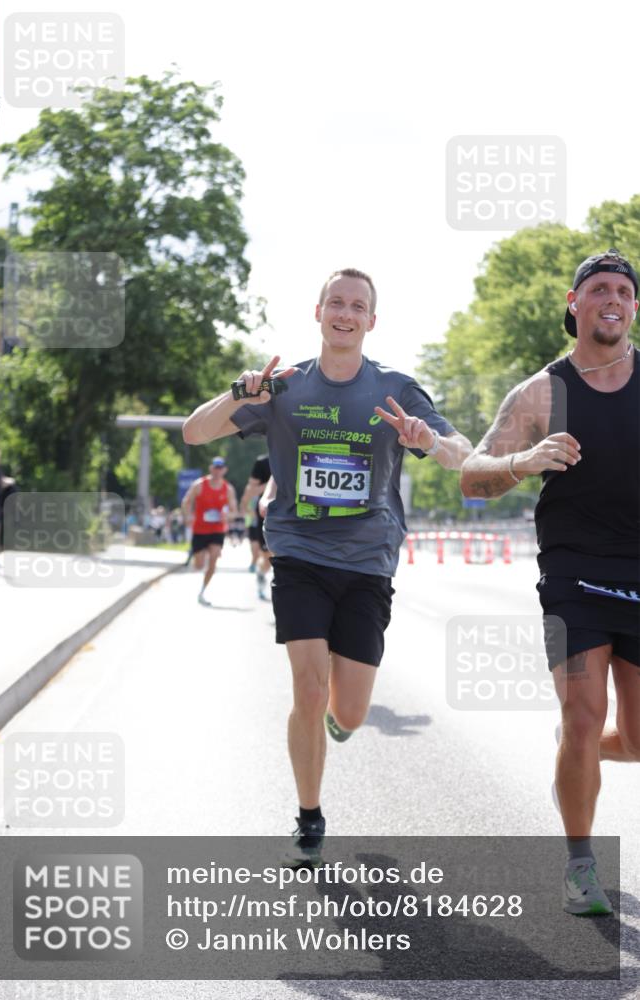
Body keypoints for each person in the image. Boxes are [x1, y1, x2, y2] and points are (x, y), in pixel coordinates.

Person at [183, 268, 472, 863]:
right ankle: (309, 815)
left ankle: (341, 721)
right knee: (309, 689)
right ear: (318, 313)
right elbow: (193, 432)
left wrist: (428, 440)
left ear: (372, 321)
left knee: (350, 711)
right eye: (335, 302)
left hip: (368, 561)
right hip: (299, 554)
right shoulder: (282, 387)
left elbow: (462, 455)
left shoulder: (396, 388)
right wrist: (239, 394)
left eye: (357, 306)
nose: (345, 313)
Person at [460, 248, 640, 916]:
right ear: (574, 303)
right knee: (584, 712)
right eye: (598, 289)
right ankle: (580, 865)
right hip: (573, 573)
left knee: (633, 739)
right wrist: (524, 459)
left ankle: (575, 751)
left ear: (634, 307)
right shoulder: (542, 392)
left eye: (623, 290)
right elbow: (472, 476)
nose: (612, 299)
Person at [181, 456, 238, 606]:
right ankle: (198, 555)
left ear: (224, 470)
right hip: (200, 529)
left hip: (217, 529)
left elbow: (234, 512)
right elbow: (186, 501)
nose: (217, 471)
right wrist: (187, 516)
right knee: (199, 565)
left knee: (213, 559)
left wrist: (227, 516)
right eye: (215, 468)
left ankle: (202, 591)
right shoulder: (199, 485)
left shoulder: (228, 489)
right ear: (211, 468)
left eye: (220, 468)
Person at [239, 453, 272, 599]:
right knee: (267, 556)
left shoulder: (296, 456)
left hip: (291, 513)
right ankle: (261, 572)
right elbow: (251, 490)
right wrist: (273, 482)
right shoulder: (262, 462)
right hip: (266, 514)